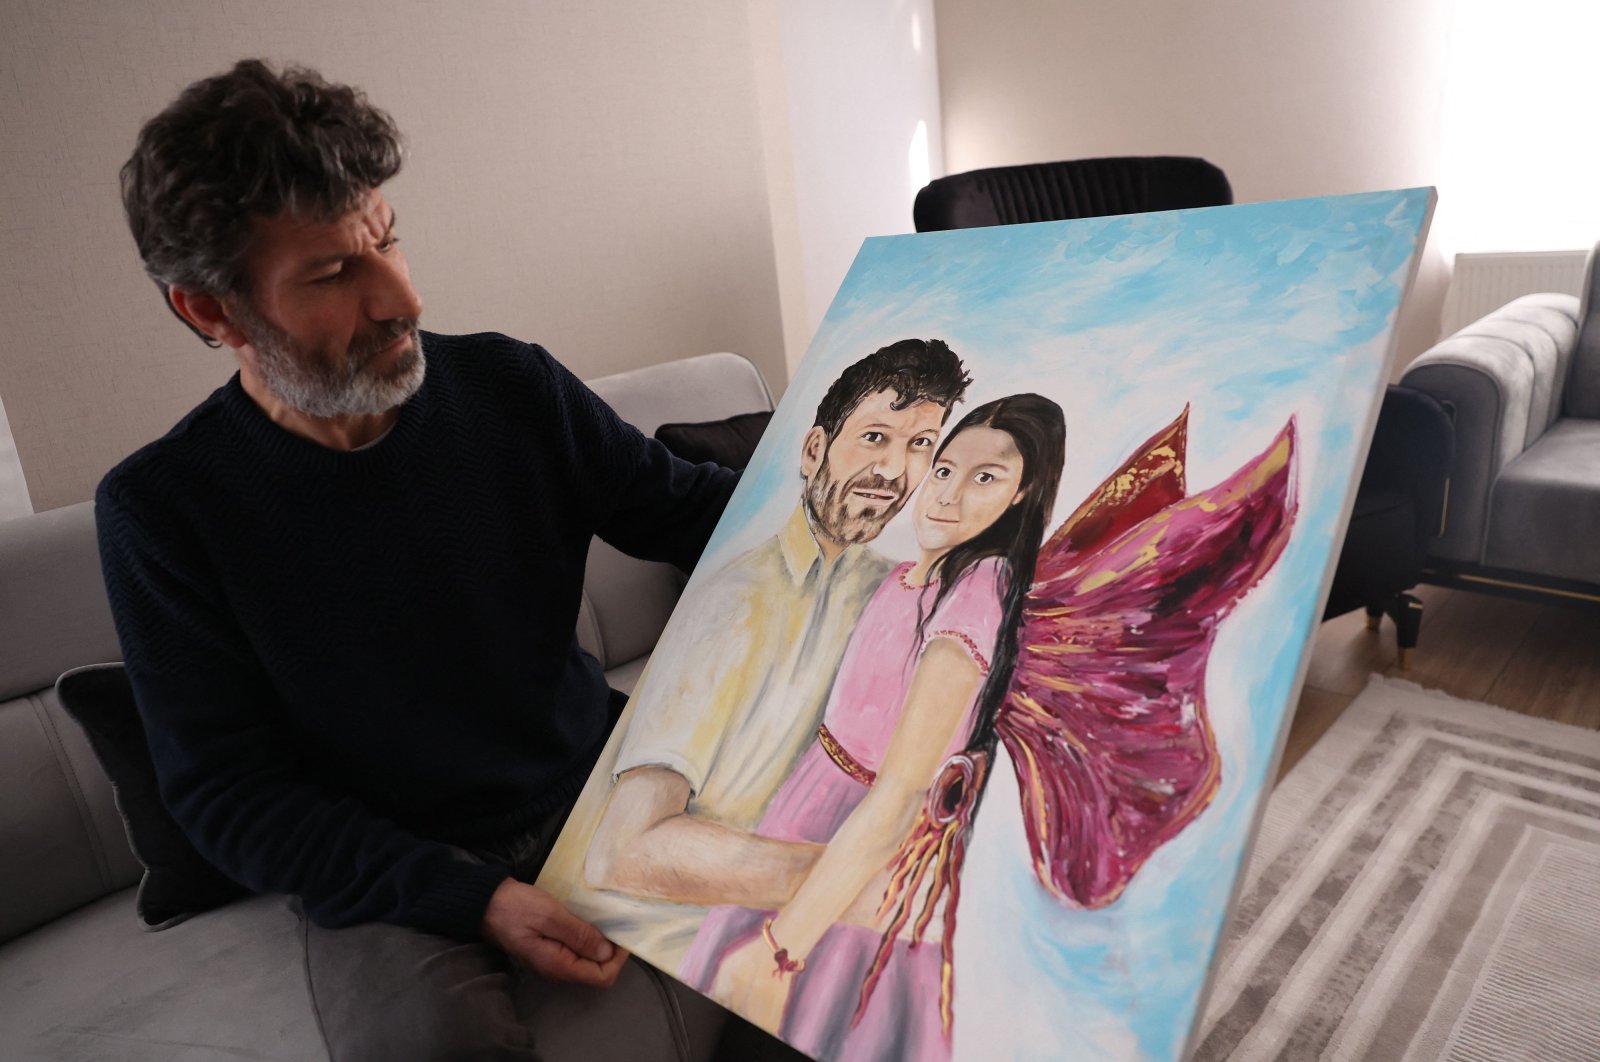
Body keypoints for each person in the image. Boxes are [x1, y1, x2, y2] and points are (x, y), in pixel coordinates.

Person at [100, 58, 741, 1061]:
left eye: (388, 240)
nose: (403, 298)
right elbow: (227, 795)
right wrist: (469, 896)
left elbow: (698, 515)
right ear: (212, 312)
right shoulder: (164, 510)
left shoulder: (511, 387)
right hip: (388, 859)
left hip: (597, 778)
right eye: (331, 275)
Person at [553, 339, 972, 972]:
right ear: (813, 451)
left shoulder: (900, 592)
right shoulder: (736, 602)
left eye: (920, 445)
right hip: (715, 942)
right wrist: (858, 882)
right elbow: (623, 850)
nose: (894, 470)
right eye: (875, 437)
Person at [679, 395, 1067, 1062]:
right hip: (811, 811)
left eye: (986, 477)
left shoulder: (979, 587)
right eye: (944, 469)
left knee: (790, 1025)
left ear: (1023, 493)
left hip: (862, 838)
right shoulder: (917, 576)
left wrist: (780, 951)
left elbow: (898, 795)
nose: (948, 494)